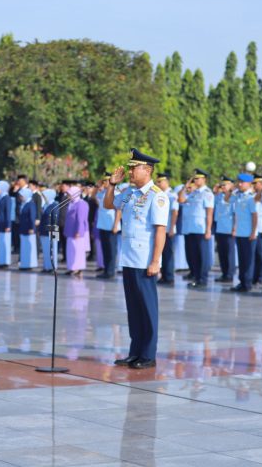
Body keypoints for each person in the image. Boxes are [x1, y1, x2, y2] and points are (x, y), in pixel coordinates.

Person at [104, 148, 168, 369]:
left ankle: (148, 355)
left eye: (135, 168)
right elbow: (108, 204)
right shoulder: (130, 193)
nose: (130, 172)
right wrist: (112, 185)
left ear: (147, 170)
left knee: (147, 308)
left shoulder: (157, 196)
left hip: (144, 260)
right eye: (130, 168)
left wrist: (155, 261)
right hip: (129, 258)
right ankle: (135, 352)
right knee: (133, 308)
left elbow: (160, 230)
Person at [177, 168, 214, 288]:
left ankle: (202, 279)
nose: (195, 180)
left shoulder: (207, 193)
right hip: (190, 228)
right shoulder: (193, 193)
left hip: (200, 229)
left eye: (197, 178)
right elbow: (180, 199)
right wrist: (185, 186)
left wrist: (208, 229)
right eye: (194, 178)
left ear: (204, 179)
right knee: (193, 255)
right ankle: (196, 277)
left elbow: (209, 213)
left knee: (201, 255)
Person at [229, 173, 258, 293]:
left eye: (242, 182)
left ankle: (247, 283)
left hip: (248, 234)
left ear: (249, 184)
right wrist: (234, 228)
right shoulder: (238, 196)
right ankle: (242, 282)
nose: (239, 184)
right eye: (238, 182)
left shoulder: (252, 198)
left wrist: (253, 232)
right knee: (241, 259)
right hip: (240, 232)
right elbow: (228, 201)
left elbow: (255, 216)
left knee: (248, 260)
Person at [156, 172, 179, 284]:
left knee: (168, 254)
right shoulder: (158, 194)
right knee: (162, 253)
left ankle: (169, 277)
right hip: (161, 230)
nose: (158, 183)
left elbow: (175, 212)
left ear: (166, 182)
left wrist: (172, 228)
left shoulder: (172, 195)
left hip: (168, 229)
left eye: (160, 181)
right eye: (157, 181)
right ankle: (164, 276)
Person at [96, 174, 120, 280]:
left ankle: (110, 272)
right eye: (104, 181)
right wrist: (99, 185)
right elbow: (93, 197)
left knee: (111, 250)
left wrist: (115, 225)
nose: (104, 183)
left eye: (106, 181)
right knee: (105, 250)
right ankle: (106, 270)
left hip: (111, 226)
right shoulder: (102, 193)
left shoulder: (116, 192)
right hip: (103, 225)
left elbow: (118, 210)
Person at [214, 175, 236, 283]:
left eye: (225, 185)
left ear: (231, 185)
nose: (222, 187)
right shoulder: (218, 196)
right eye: (221, 185)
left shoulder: (234, 197)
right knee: (221, 253)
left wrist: (234, 228)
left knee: (229, 253)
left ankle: (230, 274)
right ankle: (224, 273)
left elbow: (235, 214)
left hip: (228, 229)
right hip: (219, 228)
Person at [64, 185, 90, 277]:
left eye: (69, 194)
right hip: (70, 231)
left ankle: (78, 269)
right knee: (70, 251)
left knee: (77, 251)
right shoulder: (72, 203)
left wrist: (78, 231)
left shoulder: (81, 204)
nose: (68, 196)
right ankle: (71, 268)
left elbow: (81, 219)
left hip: (77, 232)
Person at [17, 186, 38, 269]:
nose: (20, 198)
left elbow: (32, 217)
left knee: (29, 248)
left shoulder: (31, 204)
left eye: (22, 196)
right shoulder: (24, 204)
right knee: (24, 247)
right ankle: (24, 263)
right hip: (23, 228)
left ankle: (30, 264)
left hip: (29, 229)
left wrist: (32, 228)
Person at [0, 180, 13, 269]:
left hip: (4, 224)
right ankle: (1, 261)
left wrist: (8, 225)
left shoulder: (7, 198)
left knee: (5, 244)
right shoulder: (0, 197)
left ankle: (5, 262)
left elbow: (8, 213)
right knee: (0, 244)